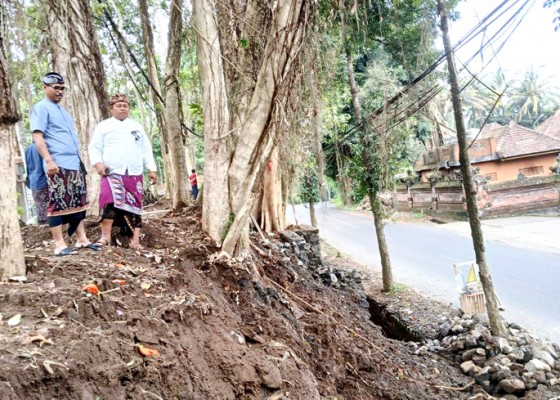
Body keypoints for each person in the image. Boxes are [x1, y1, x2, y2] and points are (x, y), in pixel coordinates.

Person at [31, 72, 99, 256]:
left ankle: (82, 239)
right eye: (56, 88)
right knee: (58, 202)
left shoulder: (63, 111)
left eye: (62, 88)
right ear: (46, 88)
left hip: (74, 162)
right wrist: (49, 160)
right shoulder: (41, 108)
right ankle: (59, 244)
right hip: (57, 162)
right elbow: (37, 136)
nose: (60, 91)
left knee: (78, 201)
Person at [88, 93, 157, 251]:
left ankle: (135, 241)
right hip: (112, 171)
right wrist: (98, 164)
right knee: (108, 201)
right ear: (111, 108)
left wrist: (151, 168)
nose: (122, 108)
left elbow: (146, 148)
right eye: (119, 106)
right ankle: (105, 237)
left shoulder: (137, 126)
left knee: (135, 206)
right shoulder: (103, 126)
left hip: (134, 172)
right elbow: (94, 147)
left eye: (125, 106)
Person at [24, 143, 48, 225]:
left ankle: (42, 224)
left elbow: (27, 166)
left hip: (33, 180)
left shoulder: (27, 149)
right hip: (43, 179)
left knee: (39, 205)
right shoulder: (43, 147)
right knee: (47, 205)